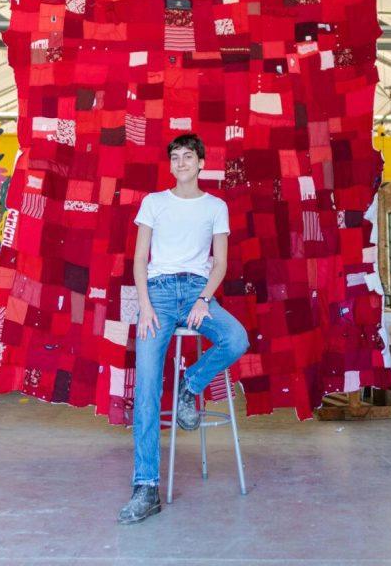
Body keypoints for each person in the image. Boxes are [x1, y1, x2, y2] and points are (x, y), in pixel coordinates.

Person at [118, 132, 250, 524]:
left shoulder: (216, 206)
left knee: (236, 338)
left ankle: (190, 385)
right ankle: (146, 488)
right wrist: (143, 305)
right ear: (170, 164)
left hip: (196, 289)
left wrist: (204, 299)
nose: (180, 162)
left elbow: (220, 264)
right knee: (145, 388)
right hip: (156, 294)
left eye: (188, 156)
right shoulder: (154, 203)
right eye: (174, 156)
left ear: (200, 163)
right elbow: (140, 258)